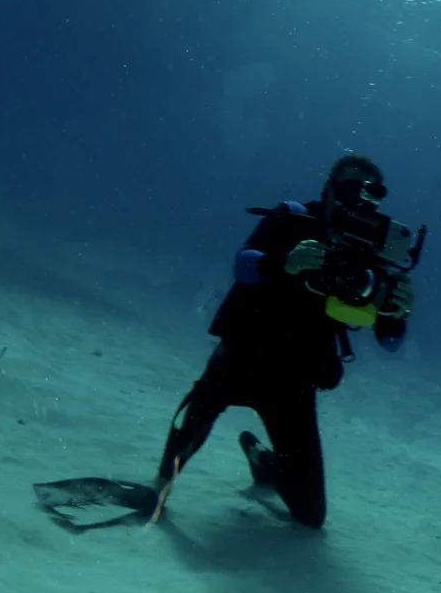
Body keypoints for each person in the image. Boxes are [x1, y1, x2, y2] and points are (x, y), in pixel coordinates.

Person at [153, 155, 416, 528]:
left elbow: (389, 343)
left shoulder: (371, 257)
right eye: (348, 188)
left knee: (310, 516)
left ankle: (266, 463)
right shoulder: (293, 217)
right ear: (329, 189)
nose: (357, 200)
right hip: (241, 353)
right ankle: (159, 484)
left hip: (295, 379)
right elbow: (243, 264)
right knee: (194, 421)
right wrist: (285, 262)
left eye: (368, 194)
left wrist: (397, 315)